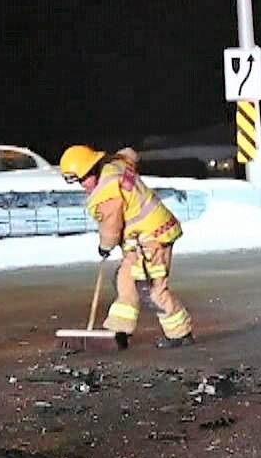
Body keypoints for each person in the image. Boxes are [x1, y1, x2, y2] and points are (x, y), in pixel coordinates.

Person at [59, 144, 194, 349]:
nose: (82, 185)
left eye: (82, 179)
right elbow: (129, 156)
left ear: (92, 169)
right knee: (126, 281)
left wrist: (105, 246)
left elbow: (111, 225)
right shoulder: (116, 167)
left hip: (151, 239)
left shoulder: (106, 192)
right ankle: (118, 330)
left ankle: (180, 333)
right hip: (141, 240)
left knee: (152, 290)